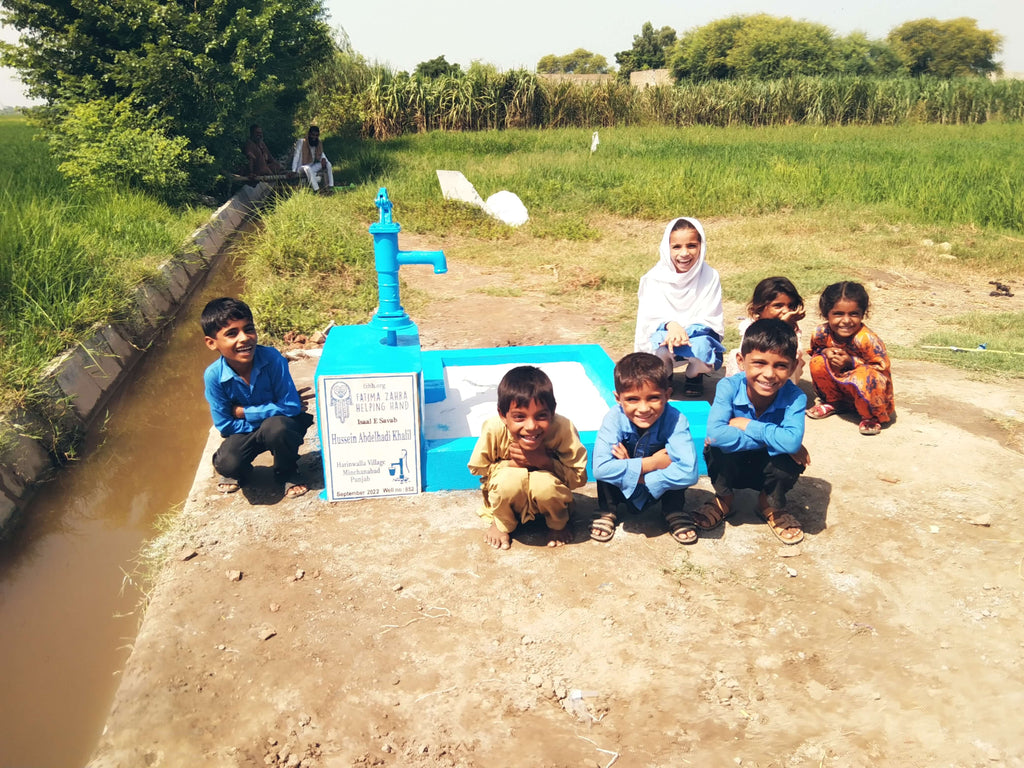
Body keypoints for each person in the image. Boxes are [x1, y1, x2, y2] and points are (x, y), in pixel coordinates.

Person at [702, 318, 810, 545]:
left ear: (792, 367)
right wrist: (778, 440)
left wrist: (746, 424)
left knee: (790, 461)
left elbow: (790, 444)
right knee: (715, 448)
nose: (769, 374)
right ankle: (724, 499)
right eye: (759, 363)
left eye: (780, 365)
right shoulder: (728, 386)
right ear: (741, 362)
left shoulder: (796, 397)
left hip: (767, 464)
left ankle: (769, 504)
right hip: (733, 459)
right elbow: (716, 434)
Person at [201, 297, 314, 498]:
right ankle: (240, 473)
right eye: (232, 333)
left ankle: (286, 471)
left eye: (248, 329)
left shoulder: (272, 359)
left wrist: (243, 412)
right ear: (211, 343)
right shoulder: (214, 376)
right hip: (244, 432)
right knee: (227, 463)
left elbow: (290, 408)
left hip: (278, 427)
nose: (244, 338)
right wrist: (263, 422)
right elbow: (225, 425)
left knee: (279, 428)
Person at [467, 365, 588, 550]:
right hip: (507, 495)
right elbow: (478, 467)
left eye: (541, 416)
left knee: (543, 483)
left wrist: (544, 462)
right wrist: (511, 464)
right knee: (509, 479)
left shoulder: (563, 429)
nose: (531, 426)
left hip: (549, 498)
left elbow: (578, 477)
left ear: (552, 411)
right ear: (502, 415)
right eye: (519, 417)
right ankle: (501, 522)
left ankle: (557, 523)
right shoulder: (494, 428)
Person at [591, 352, 700, 544]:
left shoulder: (676, 420)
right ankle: (608, 511)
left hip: (659, 489)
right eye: (632, 399)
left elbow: (689, 472)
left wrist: (635, 473)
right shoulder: (613, 418)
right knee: (611, 458)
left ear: (667, 395)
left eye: (653, 398)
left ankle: (673, 510)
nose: (643, 408)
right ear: (618, 398)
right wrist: (652, 463)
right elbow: (600, 469)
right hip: (621, 488)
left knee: (675, 460)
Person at [634, 217, 725, 397]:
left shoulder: (710, 276)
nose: (684, 253)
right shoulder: (653, 279)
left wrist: (685, 332)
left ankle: (693, 374)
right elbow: (649, 319)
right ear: (666, 248)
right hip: (664, 336)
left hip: (695, 337)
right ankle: (665, 374)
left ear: (701, 246)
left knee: (703, 346)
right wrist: (671, 326)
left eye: (691, 245)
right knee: (658, 344)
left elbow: (710, 316)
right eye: (676, 247)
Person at [806, 281, 894, 436]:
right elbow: (814, 351)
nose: (846, 320)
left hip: (869, 394)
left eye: (853, 314)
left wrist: (852, 362)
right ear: (826, 313)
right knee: (817, 362)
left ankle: (870, 417)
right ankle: (835, 403)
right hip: (842, 389)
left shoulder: (867, 339)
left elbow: (882, 369)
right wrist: (825, 351)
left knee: (865, 375)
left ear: (863, 314)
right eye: (838, 314)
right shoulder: (821, 333)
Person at [725, 276, 807, 381]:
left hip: (778, 378)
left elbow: (791, 353)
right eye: (778, 306)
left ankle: (783, 394)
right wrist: (782, 325)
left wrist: (786, 327)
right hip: (754, 376)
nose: (786, 311)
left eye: (790, 306)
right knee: (734, 355)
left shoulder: (792, 328)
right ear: (759, 308)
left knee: (793, 360)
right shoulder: (750, 327)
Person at [291, 125, 334, 193]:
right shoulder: (301, 142)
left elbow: (321, 154)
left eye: (316, 135)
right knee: (308, 168)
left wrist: (323, 159)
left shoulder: (318, 143)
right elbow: (296, 156)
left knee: (328, 164)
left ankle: (331, 186)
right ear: (309, 134)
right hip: (300, 168)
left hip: (311, 167)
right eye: (313, 135)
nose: (314, 137)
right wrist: (293, 170)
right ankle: (316, 189)